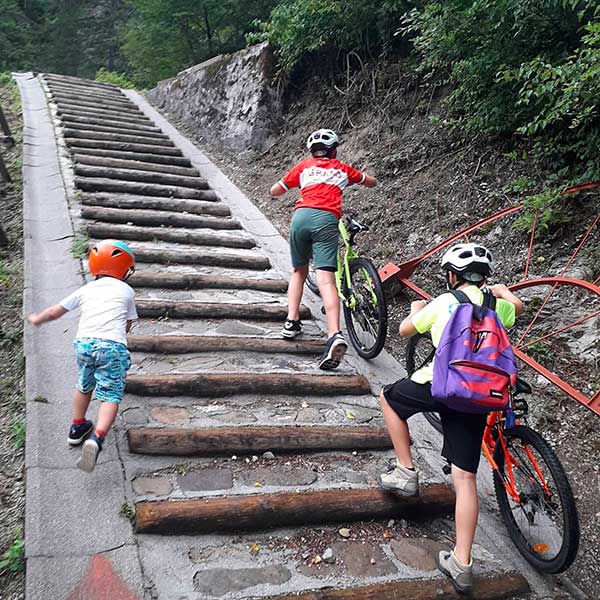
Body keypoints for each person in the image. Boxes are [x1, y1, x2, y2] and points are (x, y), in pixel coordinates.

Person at [377, 243, 523, 595]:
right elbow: (518, 307)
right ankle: (462, 562)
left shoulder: (445, 302)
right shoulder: (497, 306)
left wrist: (418, 309)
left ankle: (405, 471)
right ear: (485, 278)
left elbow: (404, 330)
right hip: (478, 393)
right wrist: (504, 292)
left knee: (389, 399)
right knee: (466, 477)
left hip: (439, 385)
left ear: (452, 275)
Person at [270, 128, 377, 369]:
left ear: (312, 152)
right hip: (327, 220)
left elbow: (276, 190)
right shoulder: (342, 169)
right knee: (326, 280)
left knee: (298, 271)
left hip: (301, 217)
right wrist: (368, 179)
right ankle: (334, 333)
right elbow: (370, 181)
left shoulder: (304, 167)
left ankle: (291, 321)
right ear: (334, 150)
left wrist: (284, 188)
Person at [28, 239, 137, 473]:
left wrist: (37, 319)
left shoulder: (86, 289)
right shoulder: (127, 291)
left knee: (84, 384)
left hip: (84, 344)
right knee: (110, 395)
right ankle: (96, 437)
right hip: (112, 347)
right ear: (123, 269)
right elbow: (127, 324)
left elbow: (56, 310)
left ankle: (77, 427)